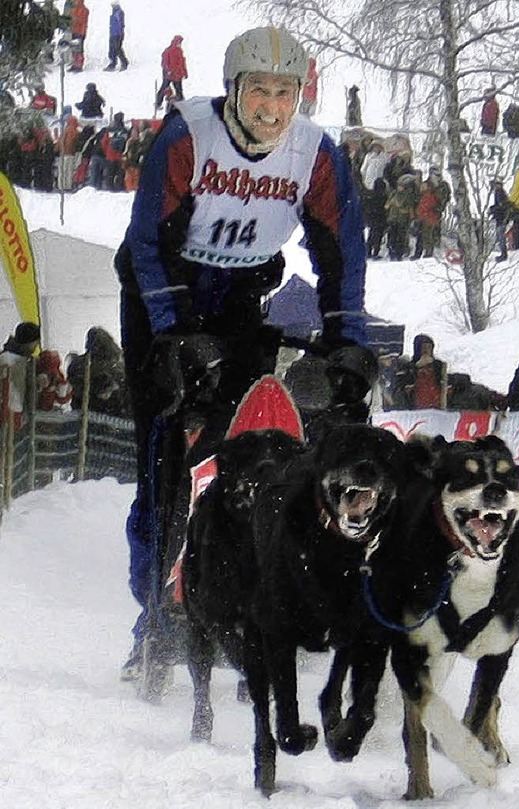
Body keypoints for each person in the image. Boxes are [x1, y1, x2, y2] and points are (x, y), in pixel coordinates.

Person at [114, 26, 374, 680]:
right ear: (234, 88)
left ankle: (238, 603)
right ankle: (156, 625)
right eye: (259, 89)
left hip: (238, 301)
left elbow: (342, 255)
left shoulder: (316, 155)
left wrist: (349, 342)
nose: (271, 107)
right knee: (167, 455)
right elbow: (148, 243)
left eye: (285, 92)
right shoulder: (185, 137)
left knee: (246, 458)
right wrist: (173, 334)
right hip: (161, 295)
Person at [0, 322, 41, 429]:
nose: (36, 346)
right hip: (9, 411)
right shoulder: (10, 360)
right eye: (35, 342)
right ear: (29, 341)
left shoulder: (24, 360)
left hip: (14, 411)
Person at [405, 334, 445, 409]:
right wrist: (416, 367)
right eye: (423, 347)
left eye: (429, 347)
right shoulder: (409, 367)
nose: (426, 350)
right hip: (416, 408)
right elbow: (406, 384)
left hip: (436, 406)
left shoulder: (438, 365)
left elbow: (443, 381)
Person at [155, 36, 188, 110]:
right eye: (179, 42)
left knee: (177, 90)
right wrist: (169, 71)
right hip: (171, 75)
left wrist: (185, 72)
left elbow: (182, 63)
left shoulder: (178, 51)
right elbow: (165, 63)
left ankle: (182, 105)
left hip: (176, 75)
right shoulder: (169, 51)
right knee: (166, 89)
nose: (179, 44)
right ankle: (158, 103)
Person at [489, 176, 510, 262]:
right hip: (502, 216)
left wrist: (492, 209)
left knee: (501, 235)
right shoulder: (501, 192)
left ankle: (503, 254)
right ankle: (503, 253)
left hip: (501, 217)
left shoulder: (499, 193)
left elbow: (501, 206)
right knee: (500, 235)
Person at [104, 1, 128, 71]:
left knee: (117, 48)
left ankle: (124, 62)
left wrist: (120, 34)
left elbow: (121, 24)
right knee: (112, 49)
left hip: (117, 34)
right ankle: (113, 63)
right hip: (113, 33)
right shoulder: (114, 12)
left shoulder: (119, 12)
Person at [68, 0, 89, 72]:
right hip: (74, 31)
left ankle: (79, 65)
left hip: (81, 32)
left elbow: (81, 20)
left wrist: (74, 20)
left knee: (79, 50)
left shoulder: (84, 10)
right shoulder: (74, 9)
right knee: (74, 49)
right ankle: (75, 64)